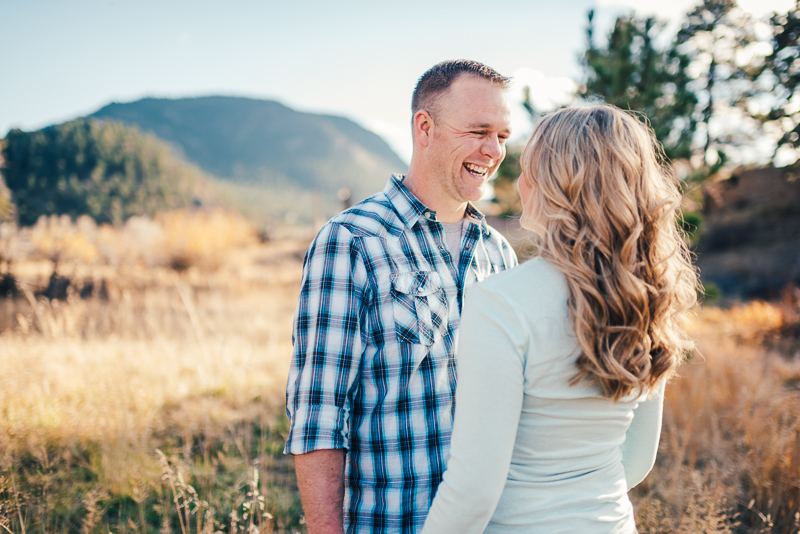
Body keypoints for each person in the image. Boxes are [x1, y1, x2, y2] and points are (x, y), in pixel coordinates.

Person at [421, 104, 699, 534]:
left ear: (555, 184)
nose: (520, 182)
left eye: (530, 168)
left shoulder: (500, 302)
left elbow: (473, 491)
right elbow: (639, 458)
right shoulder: (648, 296)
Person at [284, 59, 519, 534]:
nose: (493, 150)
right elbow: (319, 413)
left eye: (502, 135)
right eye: (478, 130)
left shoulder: (499, 254)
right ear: (425, 128)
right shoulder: (351, 241)